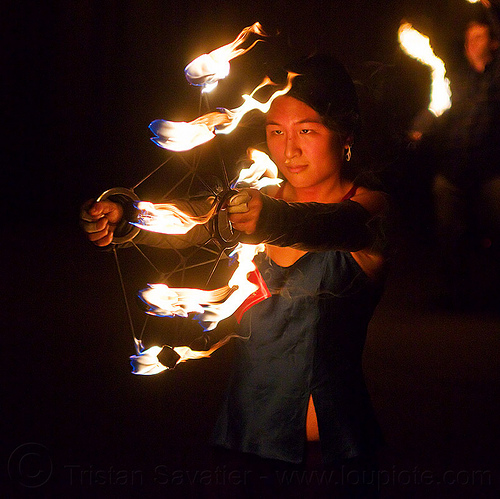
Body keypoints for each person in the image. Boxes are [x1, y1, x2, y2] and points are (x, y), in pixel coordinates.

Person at [81, 54, 390, 495]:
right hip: (240, 446)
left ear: (345, 137)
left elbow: (331, 225)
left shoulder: (371, 209)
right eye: (275, 132)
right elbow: (187, 224)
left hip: (330, 460)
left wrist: (274, 221)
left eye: (307, 130)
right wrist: (125, 217)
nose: (289, 149)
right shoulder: (256, 201)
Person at [409, 0, 500, 309]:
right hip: (456, 169)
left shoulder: (496, 77)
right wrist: (419, 127)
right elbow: (438, 105)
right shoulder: (458, 79)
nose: (471, 43)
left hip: (491, 169)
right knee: (448, 225)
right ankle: (454, 292)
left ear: (493, 41)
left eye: (479, 37)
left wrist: (489, 9)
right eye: (468, 38)